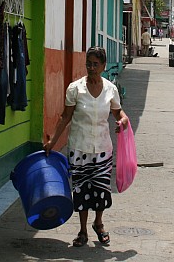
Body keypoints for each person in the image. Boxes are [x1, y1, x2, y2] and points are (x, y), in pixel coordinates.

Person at [43, 46, 129, 248]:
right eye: (88, 63)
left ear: (103, 66)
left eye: (95, 64)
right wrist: (52, 143)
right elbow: (65, 117)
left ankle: (98, 223)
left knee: (100, 189)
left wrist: (123, 121)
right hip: (79, 148)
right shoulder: (75, 88)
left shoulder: (110, 89)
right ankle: (82, 231)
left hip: (102, 147)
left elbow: (118, 113)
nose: (91, 68)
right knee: (81, 190)